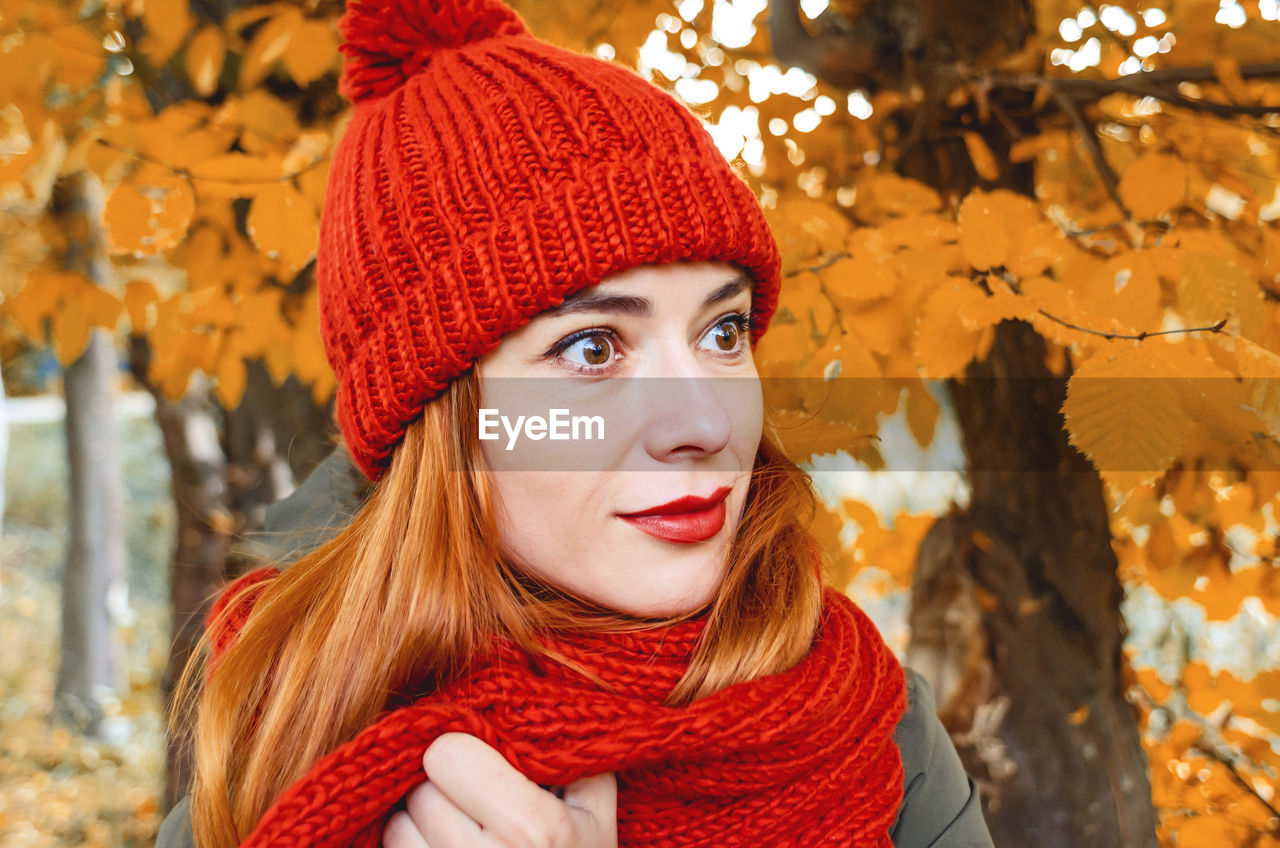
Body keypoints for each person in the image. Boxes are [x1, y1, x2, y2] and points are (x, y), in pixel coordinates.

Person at [155, 0, 995, 845]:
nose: (703, 421)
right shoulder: (280, 746)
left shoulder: (868, 726)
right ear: (440, 423)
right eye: (592, 349)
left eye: (723, 331)